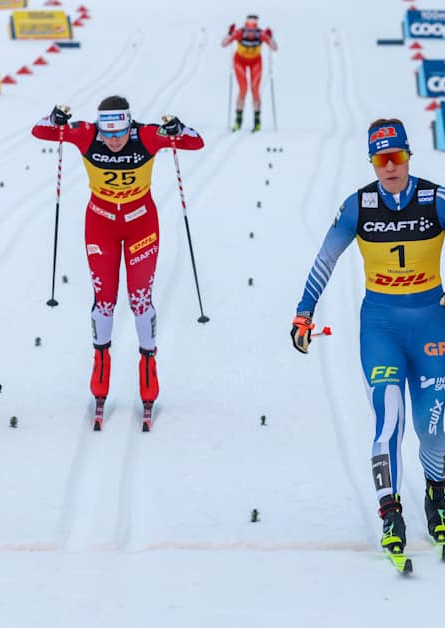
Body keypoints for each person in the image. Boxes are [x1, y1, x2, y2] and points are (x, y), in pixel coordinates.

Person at [291, 119, 445, 557]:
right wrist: (304, 313)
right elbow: (325, 260)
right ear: (373, 163)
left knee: (429, 428)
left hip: (430, 323)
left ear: (409, 157)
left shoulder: (436, 198)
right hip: (381, 324)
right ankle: (390, 511)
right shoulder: (359, 205)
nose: (390, 167)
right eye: (381, 160)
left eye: (397, 157)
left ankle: (436, 494)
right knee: (389, 419)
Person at [31, 96, 204, 413]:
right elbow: (39, 131)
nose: (113, 141)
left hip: (141, 226)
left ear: (129, 124)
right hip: (101, 226)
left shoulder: (147, 136)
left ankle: (148, 370)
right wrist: (54, 118)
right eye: (107, 134)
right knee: (104, 302)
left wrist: (178, 128)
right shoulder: (86, 134)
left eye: (120, 133)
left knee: (140, 301)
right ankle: (100, 371)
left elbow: (196, 142)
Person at [221, 14, 278, 132]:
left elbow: (274, 48)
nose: (251, 32)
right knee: (243, 89)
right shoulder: (240, 33)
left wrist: (270, 37)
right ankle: (238, 120)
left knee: (255, 90)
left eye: (253, 28)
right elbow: (224, 44)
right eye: (248, 28)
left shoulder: (261, 34)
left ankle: (257, 121)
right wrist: (229, 33)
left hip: (255, 62)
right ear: (245, 26)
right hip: (240, 61)